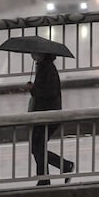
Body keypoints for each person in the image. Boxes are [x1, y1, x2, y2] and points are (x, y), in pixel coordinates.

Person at [27, 51, 74, 185]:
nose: (32, 55)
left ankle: (53, 174)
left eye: (34, 53)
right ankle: (46, 177)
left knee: (37, 147)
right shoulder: (44, 67)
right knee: (38, 147)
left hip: (48, 114)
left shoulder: (47, 69)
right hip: (44, 114)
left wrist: (33, 89)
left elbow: (48, 92)